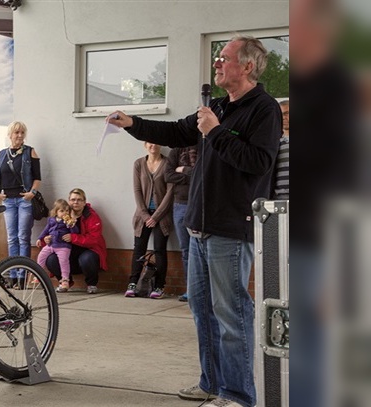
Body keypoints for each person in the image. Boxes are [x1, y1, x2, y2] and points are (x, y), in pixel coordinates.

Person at [109, 35, 281, 407]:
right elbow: (174, 132)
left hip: (230, 230)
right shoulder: (217, 105)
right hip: (199, 227)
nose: (217, 63)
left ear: (247, 66)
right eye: (217, 58)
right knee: (202, 309)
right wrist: (132, 122)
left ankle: (238, 395)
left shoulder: (263, 109)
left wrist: (215, 132)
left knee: (231, 312)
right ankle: (211, 384)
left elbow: (258, 163)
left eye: (224, 58)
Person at [125, 142, 174, 299]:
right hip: (142, 216)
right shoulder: (139, 164)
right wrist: (146, 216)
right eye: (149, 142)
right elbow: (137, 190)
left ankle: (159, 286)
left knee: (160, 250)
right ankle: (133, 283)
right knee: (139, 248)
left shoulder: (168, 163)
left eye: (156, 142)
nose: (153, 145)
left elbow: (170, 192)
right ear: (145, 145)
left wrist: (156, 216)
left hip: (162, 215)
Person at [0, 121, 41, 288]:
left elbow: (37, 177)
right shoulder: (1, 154)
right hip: (8, 200)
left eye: (22, 132)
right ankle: (13, 276)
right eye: (16, 133)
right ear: (10, 135)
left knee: (23, 237)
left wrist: (32, 193)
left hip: (24, 200)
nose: (20, 135)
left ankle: (23, 277)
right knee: (11, 238)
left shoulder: (30, 152)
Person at [43, 188, 108, 294]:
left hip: (88, 250)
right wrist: (46, 239)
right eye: (73, 200)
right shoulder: (62, 215)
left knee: (87, 258)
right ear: (69, 201)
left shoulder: (91, 216)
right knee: (50, 259)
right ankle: (65, 282)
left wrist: (73, 237)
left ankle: (91, 284)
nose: (75, 202)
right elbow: (50, 231)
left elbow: (94, 239)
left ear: (84, 202)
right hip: (67, 252)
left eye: (79, 200)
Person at [164, 144, 198, 302]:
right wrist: (192, 176)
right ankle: (191, 290)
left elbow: (205, 174)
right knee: (186, 250)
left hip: (201, 205)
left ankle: (205, 290)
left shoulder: (205, 146)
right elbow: (168, 175)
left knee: (203, 249)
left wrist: (183, 170)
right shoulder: (176, 150)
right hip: (181, 205)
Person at [35, 199, 79, 292]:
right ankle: (38, 274)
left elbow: (75, 232)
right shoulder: (51, 220)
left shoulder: (68, 222)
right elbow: (46, 230)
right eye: (62, 211)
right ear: (56, 212)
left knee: (63, 262)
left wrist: (72, 225)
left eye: (67, 210)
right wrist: (40, 238)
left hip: (63, 246)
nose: (65, 213)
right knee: (41, 257)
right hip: (51, 244)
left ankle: (65, 280)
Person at [272, 99, 289, 199]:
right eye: (281, 114)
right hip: (279, 197)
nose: (283, 118)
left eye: (287, 113)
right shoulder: (272, 142)